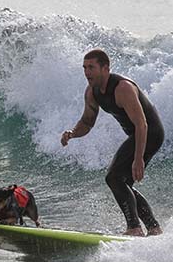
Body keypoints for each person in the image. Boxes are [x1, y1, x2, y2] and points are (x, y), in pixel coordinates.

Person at [60, 49, 165, 236]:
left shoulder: (123, 88)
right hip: (137, 135)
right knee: (122, 183)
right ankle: (153, 227)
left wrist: (138, 158)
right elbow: (87, 122)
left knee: (114, 177)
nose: (86, 72)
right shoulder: (92, 92)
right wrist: (73, 133)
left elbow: (142, 124)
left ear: (105, 68)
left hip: (150, 133)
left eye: (91, 67)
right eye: (84, 67)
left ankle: (134, 228)